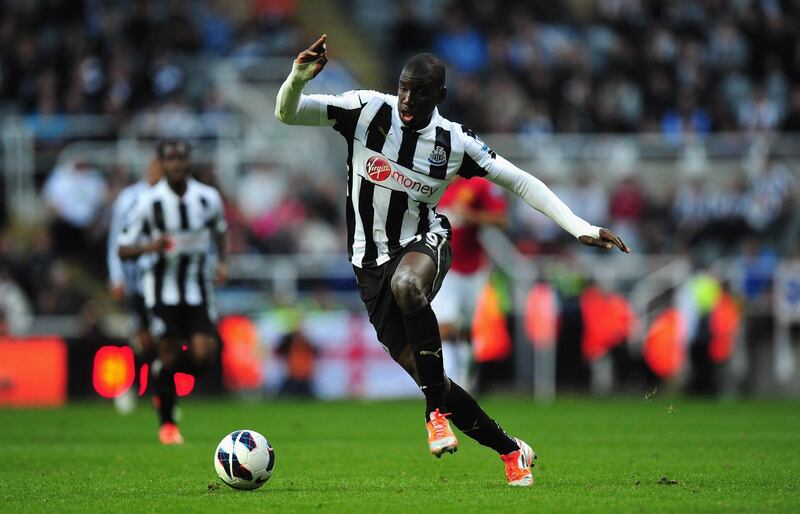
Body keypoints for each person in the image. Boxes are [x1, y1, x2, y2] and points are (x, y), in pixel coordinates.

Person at [275, 35, 630, 487]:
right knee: (434, 379)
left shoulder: (453, 142)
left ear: (439, 96)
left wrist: (577, 225)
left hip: (426, 241)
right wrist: (296, 79)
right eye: (403, 87)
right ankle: (510, 450)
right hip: (368, 264)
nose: (407, 98)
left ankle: (433, 416)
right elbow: (287, 113)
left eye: (419, 91)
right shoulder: (366, 110)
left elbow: (520, 182)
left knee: (409, 289)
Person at [118, 139, 228, 445]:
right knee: (168, 353)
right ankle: (168, 425)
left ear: (188, 161)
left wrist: (223, 263)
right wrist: (148, 247)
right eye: (170, 159)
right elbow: (123, 249)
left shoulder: (207, 198)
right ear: (162, 163)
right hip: (161, 292)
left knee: (204, 356)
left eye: (181, 158)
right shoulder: (148, 202)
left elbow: (220, 229)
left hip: (198, 289)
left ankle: (160, 375)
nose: (176, 164)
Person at [431, 175, 506, 391]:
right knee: (444, 328)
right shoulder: (433, 184)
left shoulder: (478, 184)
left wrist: (472, 216)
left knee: (468, 332)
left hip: (475, 271)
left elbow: (501, 219)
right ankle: (445, 387)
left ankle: (466, 383)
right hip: (445, 269)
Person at [107, 158, 163, 409]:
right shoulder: (129, 198)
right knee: (140, 338)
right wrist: (116, 276)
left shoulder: (174, 197)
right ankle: (130, 385)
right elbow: (115, 240)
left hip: (165, 280)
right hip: (136, 281)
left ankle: (159, 388)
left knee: (163, 336)